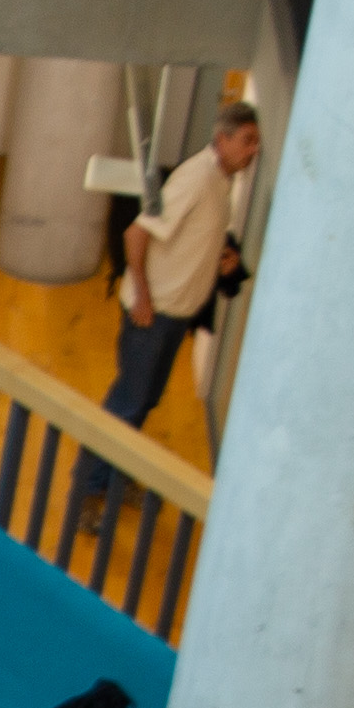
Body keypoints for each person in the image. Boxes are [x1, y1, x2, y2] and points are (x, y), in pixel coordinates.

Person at [92, 103, 262, 469]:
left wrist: (220, 258)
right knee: (129, 402)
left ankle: (114, 475)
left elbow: (190, 237)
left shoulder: (221, 181)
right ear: (222, 139)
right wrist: (142, 296)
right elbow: (136, 233)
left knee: (145, 400)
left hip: (174, 317)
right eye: (247, 141)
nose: (253, 151)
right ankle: (90, 485)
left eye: (256, 143)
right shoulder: (196, 179)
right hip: (152, 315)